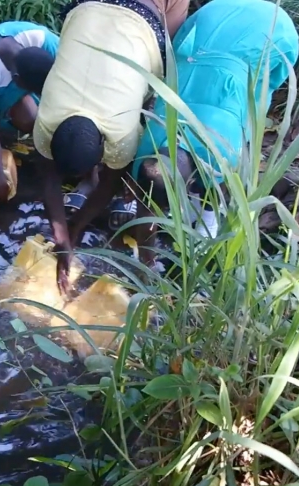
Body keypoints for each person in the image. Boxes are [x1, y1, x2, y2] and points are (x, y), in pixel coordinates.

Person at [31, 0, 190, 294]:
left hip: (145, 15)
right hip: (89, 10)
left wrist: (75, 229)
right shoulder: (47, 121)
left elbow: (106, 186)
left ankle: (135, 213)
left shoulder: (121, 129)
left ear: (104, 142)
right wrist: (63, 234)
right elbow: (49, 179)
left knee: (171, 62)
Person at [131, 0, 299, 245]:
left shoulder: (223, 148)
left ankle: (208, 220)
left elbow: (267, 86)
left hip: (273, 30)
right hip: (208, 21)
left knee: (254, 104)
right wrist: (146, 262)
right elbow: (145, 202)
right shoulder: (149, 147)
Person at [0, 21, 59, 203]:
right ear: (18, 81)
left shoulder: (43, 39)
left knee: (34, 121)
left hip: (27, 80)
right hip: (0, 91)